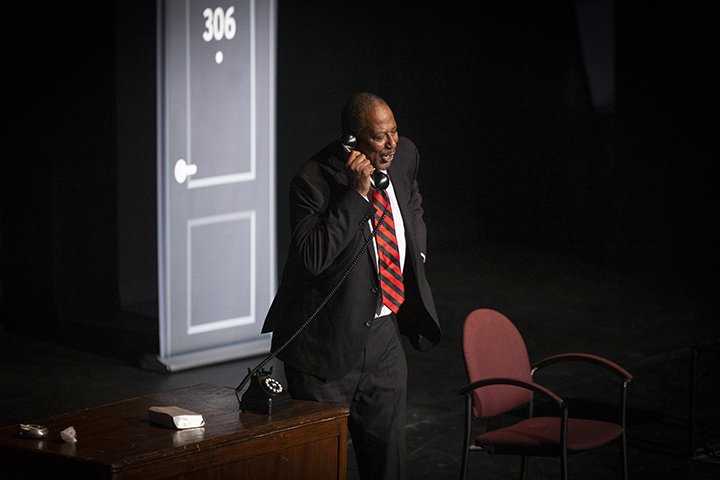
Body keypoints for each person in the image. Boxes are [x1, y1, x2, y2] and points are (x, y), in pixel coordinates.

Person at [262, 92, 441, 480]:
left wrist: (417, 257)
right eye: (380, 137)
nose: (391, 143)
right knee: (323, 467)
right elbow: (311, 257)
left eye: (394, 131)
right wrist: (356, 194)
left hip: (382, 339)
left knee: (388, 466)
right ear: (351, 141)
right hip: (323, 349)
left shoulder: (405, 155)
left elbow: (413, 203)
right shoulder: (312, 181)